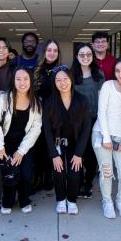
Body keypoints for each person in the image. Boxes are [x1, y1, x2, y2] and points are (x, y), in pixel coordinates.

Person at [0, 67, 42, 214]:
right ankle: (7, 201)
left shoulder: (36, 102)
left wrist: (21, 151)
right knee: (9, 173)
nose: (22, 82)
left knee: (26, 173)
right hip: (4, 143)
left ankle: (24, 200)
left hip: (25, 144)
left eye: (25, 79)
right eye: (18, 79)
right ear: (13, 80)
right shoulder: (1, 100)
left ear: (31, 81)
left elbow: (36, 128)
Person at [92, 56, 121, 218]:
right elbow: (101, 112)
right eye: (118, 71)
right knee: (106, 171)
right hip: (101, 134)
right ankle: (107, 202)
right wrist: (106, 138)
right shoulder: (108, 86)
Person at [43, 66, 91, 214]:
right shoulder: (50, 102)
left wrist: (79, 154)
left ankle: (71, 200)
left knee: (74, 171)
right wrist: (54, 155)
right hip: (57, 143)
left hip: (75, 143)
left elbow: (86, 129)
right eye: (58, 80)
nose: (62, 83)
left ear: (71, 79)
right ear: (54, 83)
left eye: (65, 79)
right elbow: (47, 130)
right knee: (58, 171)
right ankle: (61, 199)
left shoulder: (82, 100)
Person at [71, 43, 104, 198]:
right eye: (81, 55)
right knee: (77, 153)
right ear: (77, 57)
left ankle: (88, 183)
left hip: (94, 119)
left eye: (88, 54)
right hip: (75, 121)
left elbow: (102, 99)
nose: (85, 57)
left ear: (92, 56)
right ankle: (76, 183)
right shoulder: (71, 75)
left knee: (91, 155)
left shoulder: (99, 75)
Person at [32, 40, 61, 192]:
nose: (52, 53)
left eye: (55, 50)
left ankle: (49, 177)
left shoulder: (61, 71)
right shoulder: (35, 70)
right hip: (36, 116)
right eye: (49, 50)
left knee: (52, 148)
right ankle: (37, 178)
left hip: (54, 116)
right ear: (44, 52)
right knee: (37, 149)